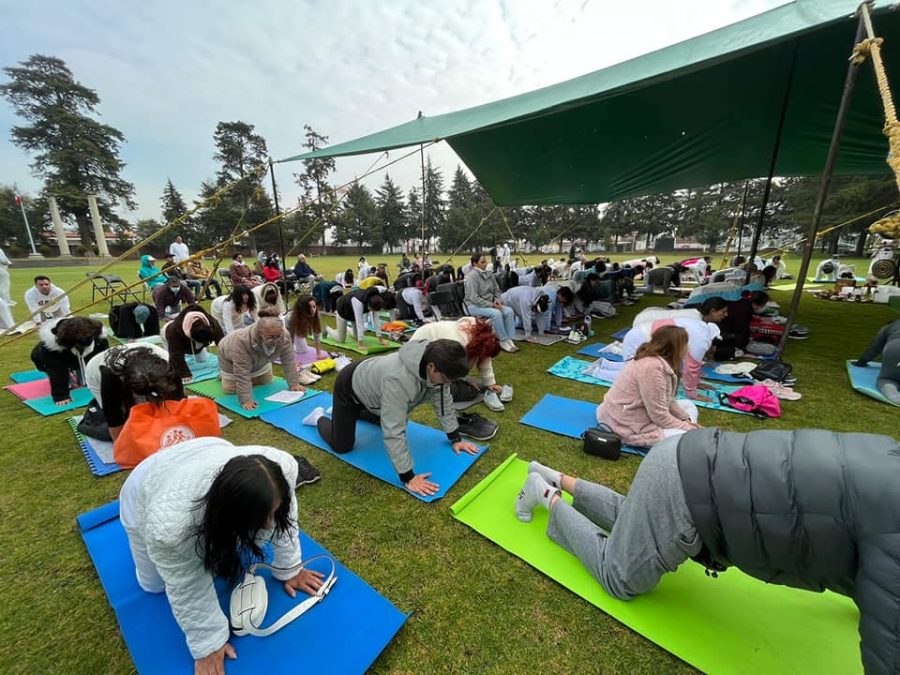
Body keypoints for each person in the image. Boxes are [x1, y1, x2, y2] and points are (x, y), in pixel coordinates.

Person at [515, 427, 900, 674]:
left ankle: (557, 476)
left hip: (691, 454)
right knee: (620, 576)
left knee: (636, 522)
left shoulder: (889, 459)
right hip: (688, 491)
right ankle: (546, 494)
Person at [119, 437, 323, 675]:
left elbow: (285, 518)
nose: (269, 525)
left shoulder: (280, 468)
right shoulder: (170, 529)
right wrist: (208, 644)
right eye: (261, 517)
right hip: (145, 485)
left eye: (272, 512)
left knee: (252, 529)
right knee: (153, 585)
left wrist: (290, 568)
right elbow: (186, 585)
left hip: (205, 450)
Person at [304, 339, 479, 497]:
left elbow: (443, 401)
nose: (447, 384)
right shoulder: (398, 380)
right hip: (350, 387)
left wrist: (455, 437)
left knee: (384, 417)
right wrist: (408, 476)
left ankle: (348, 413)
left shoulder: (439, 366)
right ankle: (319, 417)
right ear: (431, 367)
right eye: (447, 379)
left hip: (374, 386)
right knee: (342, 446)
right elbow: (394, 430)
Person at [597, 325, 699, 446]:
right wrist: (688, 428)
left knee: (688, 405)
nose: (688, 348)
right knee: (686, 437)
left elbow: (668, 400)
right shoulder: (652, 368)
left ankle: (688, 430)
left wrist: (685, 420)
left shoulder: (656, 360)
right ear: (676, 347)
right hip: (622, 425)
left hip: (624, 412)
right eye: (686, 344)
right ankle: (686, 434)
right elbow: (659, 416)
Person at [622, 299, 725, 402]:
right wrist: (693, 394)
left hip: (645, 339)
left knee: (658, 377)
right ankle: (605, 368)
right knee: (635, 379)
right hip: (637, 340)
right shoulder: (702, 339)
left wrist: (696, 383)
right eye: (711, 352)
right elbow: (691, 367)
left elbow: (686, 365)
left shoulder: (701, 330)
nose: (708, 356)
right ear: (710, 344)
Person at [84, 342, 184, 439]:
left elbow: (178, 398)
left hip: (138, 373)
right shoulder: (110, 376)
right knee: (128, 424)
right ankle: (92, 414)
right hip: (96, 372)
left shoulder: (167, 361)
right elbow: (113, 417)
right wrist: (123, 446)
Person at [411, 316, 509, 414]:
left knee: (476, 386)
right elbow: (448, 367)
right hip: (419, 358)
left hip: (437, 358)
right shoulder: (457, 342)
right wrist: (464, 380)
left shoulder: (481, 339)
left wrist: (490, 383)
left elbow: (485, 360)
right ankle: (430, 388)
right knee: (469, 392)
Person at [217, 308, 303, 410]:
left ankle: (250, 376)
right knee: (230, 390)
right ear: (260, 333)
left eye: (278, 336)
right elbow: (242, 373)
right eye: (271, 337)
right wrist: (246, 400)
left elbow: (288, 361)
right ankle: (224, 375)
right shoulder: (242, 341)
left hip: (260, 363)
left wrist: (294, 384)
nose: (275, 341)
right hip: (230, 361)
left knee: (266, 385)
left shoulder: (285, 336)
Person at [30, 317, 109, 405]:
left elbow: (103, 360)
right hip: (45, 360)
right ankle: (71, 378)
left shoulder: (98, 336)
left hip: (78, 356)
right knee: (61, 372)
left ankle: (80, 376)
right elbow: (57, 370)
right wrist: (61, 396)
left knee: (89, 370)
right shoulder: (51, 347)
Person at [464, 253, 518, 353]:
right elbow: (474, 298)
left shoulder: (489, 274)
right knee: (496, 313)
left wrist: (499, 300)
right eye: (482, 262)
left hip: (490, 304)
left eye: (486, 261)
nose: (485, 264)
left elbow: (497, 290)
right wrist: (493, 305)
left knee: (509, 311)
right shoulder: (472, 277)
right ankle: (502, 340)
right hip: (474, 306)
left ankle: (509, 338)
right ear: (475, 264)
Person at [161, 304, 225, 381]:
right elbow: (175, 354)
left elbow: (223, 345)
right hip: (167, 334)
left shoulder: (213, 324)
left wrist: (225, 366)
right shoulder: (174, 331)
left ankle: (193, 352)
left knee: (202, 359)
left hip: (192, 340)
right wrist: (184, 374)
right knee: (170, 363)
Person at [328, 286, 394, 353]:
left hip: (352, 314)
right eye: (371, 309)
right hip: (342, 312)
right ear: (368, 304)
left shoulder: (376, 300)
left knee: (356, 337)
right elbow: (359, 322)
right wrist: (360, 344)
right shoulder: (358, 302)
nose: (371, 311)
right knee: (341, 339)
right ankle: (327, 329)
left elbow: (376, 320)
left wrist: (380, 339)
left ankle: (346, 328)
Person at [853, 319, 900, 404]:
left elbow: (874, 348)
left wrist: (861, 362)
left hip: (895, 348)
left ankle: (893, 393)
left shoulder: (888, 328)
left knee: (888, 379)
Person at [714, 291, 770, 360]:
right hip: (724, 338)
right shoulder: (744, 310)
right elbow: (740, 330)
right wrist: (741, 349)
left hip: (725, 336)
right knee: (768, 350)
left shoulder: (743, 304)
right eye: (762, 305)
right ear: (757, 304)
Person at [284, 295, 327, 367]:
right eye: (309, 307)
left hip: (297, 331)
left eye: (314, 306)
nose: (313, 310)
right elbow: (289, 340)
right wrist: (292, 361)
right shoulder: (290, 318)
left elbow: (316, 334)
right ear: (302, 309)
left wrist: (319, 354)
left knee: (302, 350)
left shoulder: (316, 315)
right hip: (282, 329)